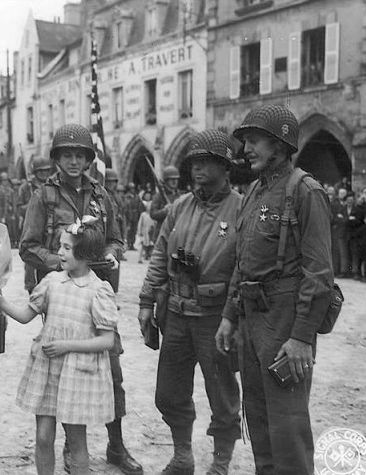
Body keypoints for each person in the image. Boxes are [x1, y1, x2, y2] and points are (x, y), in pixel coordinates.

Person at [215, 105, 333, 475]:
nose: (246, 148)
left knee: (288, 427)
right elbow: (242, 262)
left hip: (285, 323)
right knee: (260, 420)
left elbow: (319, 274)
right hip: (252, 322)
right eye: (245, 140)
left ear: (280, 144)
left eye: (254, 140)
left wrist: (300, 338)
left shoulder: (305, 191)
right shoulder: (252, 193)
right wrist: (229, 318)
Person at [20, 123, 142, 475]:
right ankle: (73, 449)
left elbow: (117, 238)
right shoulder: (43, 197)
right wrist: (61, 263)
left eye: (80, 155)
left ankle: (116, 446)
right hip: (61, 297)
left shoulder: (102, 195)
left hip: (97, 293)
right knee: (62, 373)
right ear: (57, 158)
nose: (74, 162)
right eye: (67, 155)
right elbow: (28, 247)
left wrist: (112, 254)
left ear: (89, 158)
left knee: (110, 372)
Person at [139, 130, 242, 475]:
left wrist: (233, 314)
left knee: (223, 396)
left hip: (215, 319)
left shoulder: (241, 209)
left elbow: (245, 267)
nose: (197, 169)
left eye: (206, 162)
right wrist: (145, 300)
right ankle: (183, 455)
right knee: (168, 393)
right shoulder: (180, 206)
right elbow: (158, 254)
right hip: (177, 315)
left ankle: (221, 465)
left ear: (225, 166)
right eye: (194, 162)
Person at [0, 221, 118, 475]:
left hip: (76, 373)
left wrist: (66, 346)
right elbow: (26, 314)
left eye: (67, 248)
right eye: (60, 246)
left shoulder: (98, 290)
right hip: (48, 368)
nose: (59, 252)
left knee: (76, 441)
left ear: (84, 254)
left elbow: (107, 340)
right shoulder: (51, 281)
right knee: (43, 437)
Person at [17, 156, 53, 293]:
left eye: (46, 170)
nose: (44, 173)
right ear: (35, 172)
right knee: (31, 260)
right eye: (41, 171)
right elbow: (19, 209)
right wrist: (32, 206)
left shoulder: (51, 186)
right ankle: (31, 288)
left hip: (48, 228)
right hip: (31, 226)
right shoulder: (26, 188)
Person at [150, 165, 181, 238]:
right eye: (171, 179)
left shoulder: (179, 196)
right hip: (162, 232)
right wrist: (165, 211)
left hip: (177, 233)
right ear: (166, 181)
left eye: (176, 179)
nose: (174, 181)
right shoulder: (158, 196)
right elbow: (153, 213)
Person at [104, 169, 127, 262]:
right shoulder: (103, 195)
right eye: (108, 181)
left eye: (112, 182)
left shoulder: (117, 196)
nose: (110, 184)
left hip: (118, 224)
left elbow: (122, 211)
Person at [136, 192, 156, 264]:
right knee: (142, 245)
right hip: (144, 232)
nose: (149, 208)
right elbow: (140, 224)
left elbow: (155, 223)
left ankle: (151, 258)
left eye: (150, 207)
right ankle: (139, 258)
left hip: (151, 232)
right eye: (148, 207)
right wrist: (139, 231)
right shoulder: (143, 214)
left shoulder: (153, 215)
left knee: (151, 246)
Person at [124, 183, 144, 250]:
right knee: (128, 230)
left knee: (134, 230)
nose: (133, 190)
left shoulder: (136, 196)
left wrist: (140, 212)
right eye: (131, 188)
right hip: (128, 215)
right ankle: (128, 244)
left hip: (135, 215)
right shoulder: (126, 196)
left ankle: (132, 244)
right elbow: (126, 205)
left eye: (133, 188)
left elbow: (140, 205)